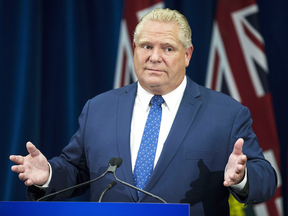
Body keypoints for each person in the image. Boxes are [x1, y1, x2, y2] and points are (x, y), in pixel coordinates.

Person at [10, 8, 277, 215]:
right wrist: (49, 175)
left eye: (168, 48)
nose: (154, 56)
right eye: (147, 46)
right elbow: (75, 170)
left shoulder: (226, 113)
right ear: (135, 49)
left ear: (187, 55)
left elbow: (266, 178)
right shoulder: (99, 108)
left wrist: (242, 178)